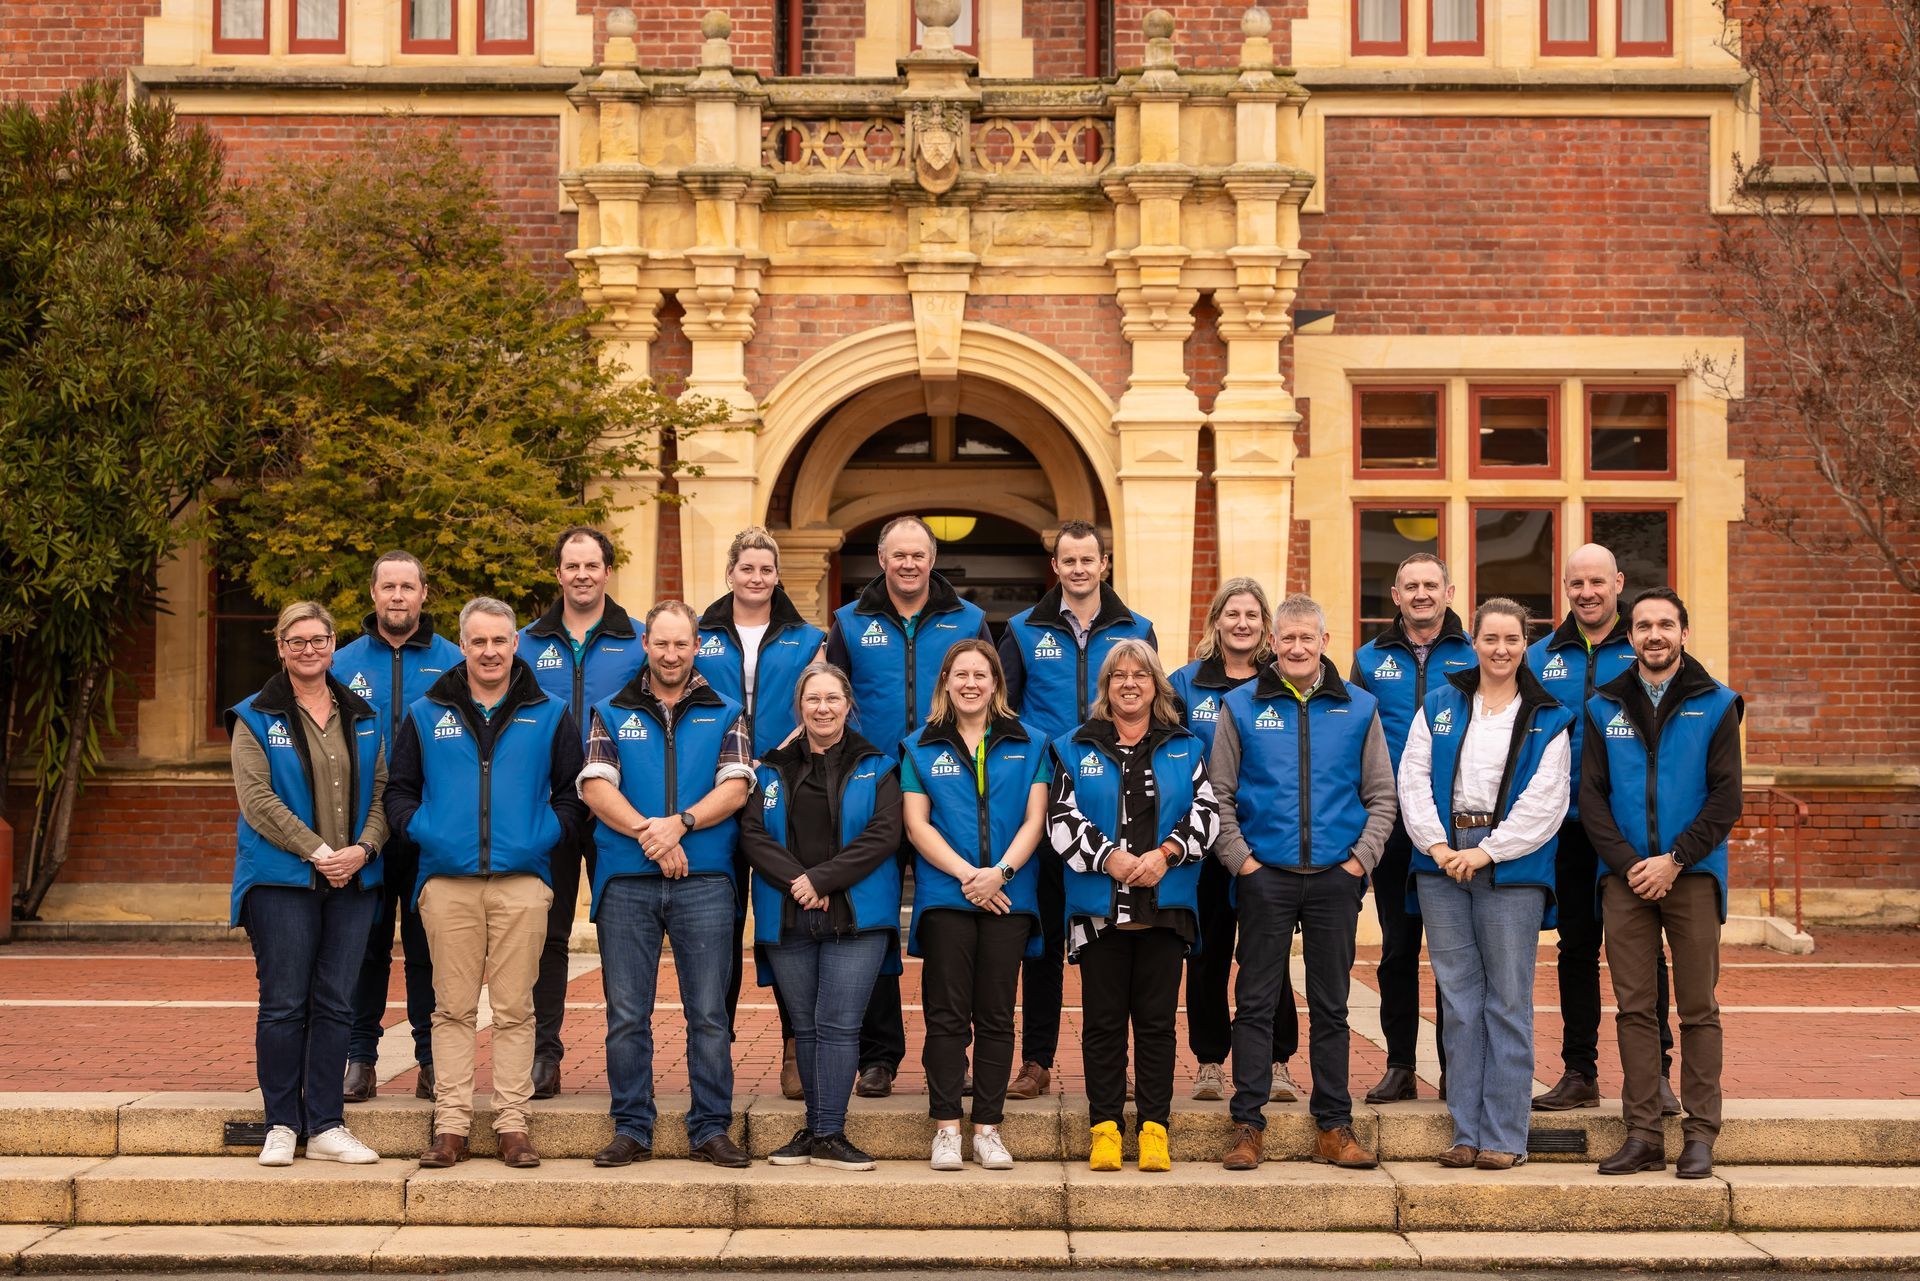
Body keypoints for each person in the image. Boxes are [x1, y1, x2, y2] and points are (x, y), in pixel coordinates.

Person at [386, 597, 588, 1171]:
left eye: (500, 640)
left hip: (522, 883)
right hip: (446, 883)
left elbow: (572, 792)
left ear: (515, 644)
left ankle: (511, 1124)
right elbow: (399, 790)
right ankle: (450, 1125)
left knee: (515, 1008)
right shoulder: (427, 713)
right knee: (449, 1010)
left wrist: (543, 835)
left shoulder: (549, 712)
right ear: (464, 644)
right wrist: (427, 831)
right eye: (478, 641)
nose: (490, 651)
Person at [1210, 594, 1396, 1172]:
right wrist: (1243, 863)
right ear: (1275, 642)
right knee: (1255, 1002)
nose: (1295, 648)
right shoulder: (1240, 706)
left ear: (1324, 642)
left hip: (1335, 881)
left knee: (1332, 1006)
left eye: (1306, 639)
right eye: (1286, 639)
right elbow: (1218, 796)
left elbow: (1382, 797)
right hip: (1265, 877)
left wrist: (1358, 863)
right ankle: (1247, 1125)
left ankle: (1334, 1127)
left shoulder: (1360, 708)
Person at [577, 600, 755, 1170]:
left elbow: (736, 787)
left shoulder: (726, 711)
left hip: (704, 880)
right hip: (626, 880)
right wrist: (650, 835)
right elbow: (596, 786)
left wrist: (680, 824)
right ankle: (632, 1125)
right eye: (661, 644)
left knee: (708, 1013)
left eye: (682, 644)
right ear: (646, 646)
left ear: (696, 646)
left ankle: (709, 1127)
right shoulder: (611, 710)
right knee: (627, 1013)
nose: (671, 654)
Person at [1397, 598, 1573, 1171]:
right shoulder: (1441, 703)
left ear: (1527, 646)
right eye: (1490, 638)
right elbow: (1413, 779)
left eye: (1512, 640)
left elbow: (1546, 803)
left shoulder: (1548, 714)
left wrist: (1486, 852)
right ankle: (1465, 1132)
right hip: (1443, 865)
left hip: (1510, 869)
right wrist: (1440, 847)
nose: (1501, 650)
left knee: (1507, 1003)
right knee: (1459, 1003)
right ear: (1474, 641)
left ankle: (1504, 1134)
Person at [825, 515, 991, 1098]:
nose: (909, 565)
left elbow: (990, 698)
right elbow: (830, 700)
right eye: (898, 555)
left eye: (918, 555)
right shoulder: (849, 621)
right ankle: (879, 1056)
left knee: (952, 925)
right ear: (881, 558)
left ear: (932, 558)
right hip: (874, 787)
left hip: (948, 788)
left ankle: (954, 1056)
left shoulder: (968, 620)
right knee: (873, 922)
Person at [1584, 588, 1743, 1180]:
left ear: (1683, 633)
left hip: (1693, 875)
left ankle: (1700, 1135)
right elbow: (1591, 800)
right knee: (1634, 1009)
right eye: (1644, 625)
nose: (1654, 634)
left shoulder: (1718, 703)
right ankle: (1644, 1133)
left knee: (1698, 1009)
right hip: (1625, 878)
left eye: (1666, 625)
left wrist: (1674, 859)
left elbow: (1727, 798)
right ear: (1630, 637)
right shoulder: (1603, 706)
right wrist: (1631, 864)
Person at [999, 519, 1157, 1101]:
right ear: (1057, 566)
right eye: (1069, 560)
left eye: (1089, 559)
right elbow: (1004, 713)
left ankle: (1136, 1065)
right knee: (1040, 937)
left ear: (1104, 564)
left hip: (1121, 805)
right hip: (1046, 801)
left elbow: (1155, 708)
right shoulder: (1020, 630)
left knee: (1126, 938)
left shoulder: (1136, 629)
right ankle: (1037, 1060)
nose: (1080, 568)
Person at [228, 601, 387, 1167]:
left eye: (318, 640)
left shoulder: (360, 713)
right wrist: (320, 853)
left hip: (351, 878)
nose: (308, 650)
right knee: (284, 1004)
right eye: (296, 641)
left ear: (332, 644)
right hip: (281, 882)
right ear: (280, 647)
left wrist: (362, 850)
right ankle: (280, 1123)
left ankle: (325, 1125)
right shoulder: (254, 715)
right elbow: (258, 802)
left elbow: (382, 792)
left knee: (336, 1003)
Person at [1050, 640, 1217, 1173]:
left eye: (1140, 675)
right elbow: (1061, 819)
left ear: (1155, 685)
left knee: (1155, 1024)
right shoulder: (1073, 746)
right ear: (1106, 687)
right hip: (1101, 911)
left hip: (1163, 910)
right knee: (1100, 1023)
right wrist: (1109, 859)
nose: (1129, 684)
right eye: (1119, 675)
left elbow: (1208, 814)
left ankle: (1153, 1130)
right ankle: (1103, 1129)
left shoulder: (1185, 747)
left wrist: (1166, 854)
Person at [1527, 543, 1677, 1114]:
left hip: (1633, 829)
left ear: (1618, 581)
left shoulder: (1644, 645)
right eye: (1575, 584)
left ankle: (1657, 1074)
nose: (1586, 593)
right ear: (1565, 589)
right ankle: (1579, 1070)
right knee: (1576, 948)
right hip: (1565, 827)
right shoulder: (1540, 656)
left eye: (1597, 582)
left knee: (1641, 950)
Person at [740, 663, 903, 1172]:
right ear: (799, 707)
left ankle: (829, 1132)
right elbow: (752, 834)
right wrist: (799, 882)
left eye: (833, 699)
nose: (823, 708)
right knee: (806, 1027)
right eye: (813, 699)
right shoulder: (769, 768)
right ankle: (815, 1128)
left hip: (856, 919)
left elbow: (883, 834)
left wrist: (823, 880)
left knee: (838, 1025)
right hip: (789, 916)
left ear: (848, 705)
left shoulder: (877, 765)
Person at [901, 639, 1050, 1171]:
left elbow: (1037, 819)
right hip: (947, 897)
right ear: (945, 681)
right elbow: (916, 825)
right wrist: (968, 876)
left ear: (995, 684)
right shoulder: (919, 745)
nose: (970, 683)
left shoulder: (1031, 742)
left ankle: (987, 1128)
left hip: (1010, 895)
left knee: (994, 1016)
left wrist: (1000, 874)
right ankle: (945, 1128)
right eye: (960, 674)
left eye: (980, 675)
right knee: (945, 1016)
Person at [696, 526, 826, 1100]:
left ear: (778, 576)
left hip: (782, 793)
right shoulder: (699, 637)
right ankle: (714, 1045)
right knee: (717, 927)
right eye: (746, 568)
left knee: (781, 926)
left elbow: (819, 702)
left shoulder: (808, 638)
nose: (756, 578)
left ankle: (795, 1041)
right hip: (713, 792)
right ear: (730, 574)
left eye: (766, 570)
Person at [517, 526, 647, 1099]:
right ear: (558, 574)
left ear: (608, 570)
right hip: (547, 809)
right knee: (546, 934)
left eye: (592, 565)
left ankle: (629, 1060)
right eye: (571, 566)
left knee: (623, 932)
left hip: (621, 809)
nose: (582, 575)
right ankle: (544, 1054)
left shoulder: (641, 641)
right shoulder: (524, 643)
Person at [333, 551, 462, 1105]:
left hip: (424, 826)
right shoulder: (341, 663)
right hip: (361, 828)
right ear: (373, 594)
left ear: (424, 594)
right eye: (388, 586)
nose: (397, 596)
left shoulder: (454, 661)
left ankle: (431, 1060)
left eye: (408, 586)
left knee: (427, 946)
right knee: (363, 947)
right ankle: (360, 1058)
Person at [1169, 578, 1302, 1105]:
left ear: (1265, 626)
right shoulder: (1185, 684)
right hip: (1202, 847)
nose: (1241, 623)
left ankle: (1278, 1060)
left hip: (1265, 843)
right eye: (1232, 614)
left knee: (1267, 955)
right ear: (1216, 622)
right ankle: (1208, 1062)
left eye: (1251, 615)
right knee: (1207, 955)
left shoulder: (1285, 681)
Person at [1349, 553, 1475, 1105]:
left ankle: (1456, 1067)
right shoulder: (1368, 659)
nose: (1421, 594)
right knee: (1397, 952)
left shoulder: (1476, 655)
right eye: (1410, 585)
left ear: (1449, 592)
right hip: (1394, 828)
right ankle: (1401, 1064)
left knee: (1456, 954)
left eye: (1431, 585)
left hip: (1456, 831)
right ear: (1395, 595)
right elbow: (1351, 738)